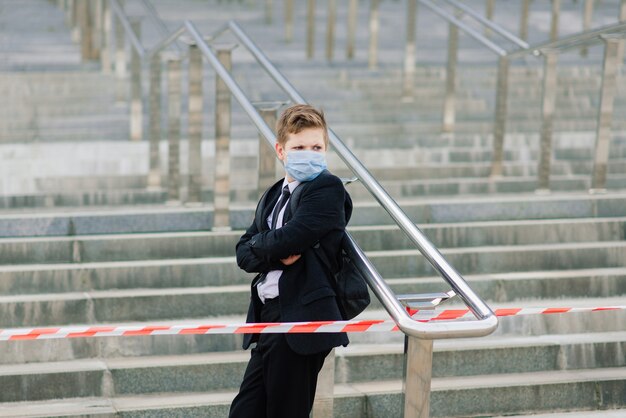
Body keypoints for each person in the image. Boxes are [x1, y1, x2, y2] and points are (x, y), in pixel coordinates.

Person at [229, 104, 351, 418]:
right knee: (245, 411)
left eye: (316, 147)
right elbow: (243, 253)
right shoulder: (273, 195)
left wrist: (262, 245)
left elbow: (293, 238)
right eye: (299, 147)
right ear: (281, 151)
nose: (309, 153)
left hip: (301, 315)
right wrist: (268, 249)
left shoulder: (327, 188)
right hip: (269, 318)